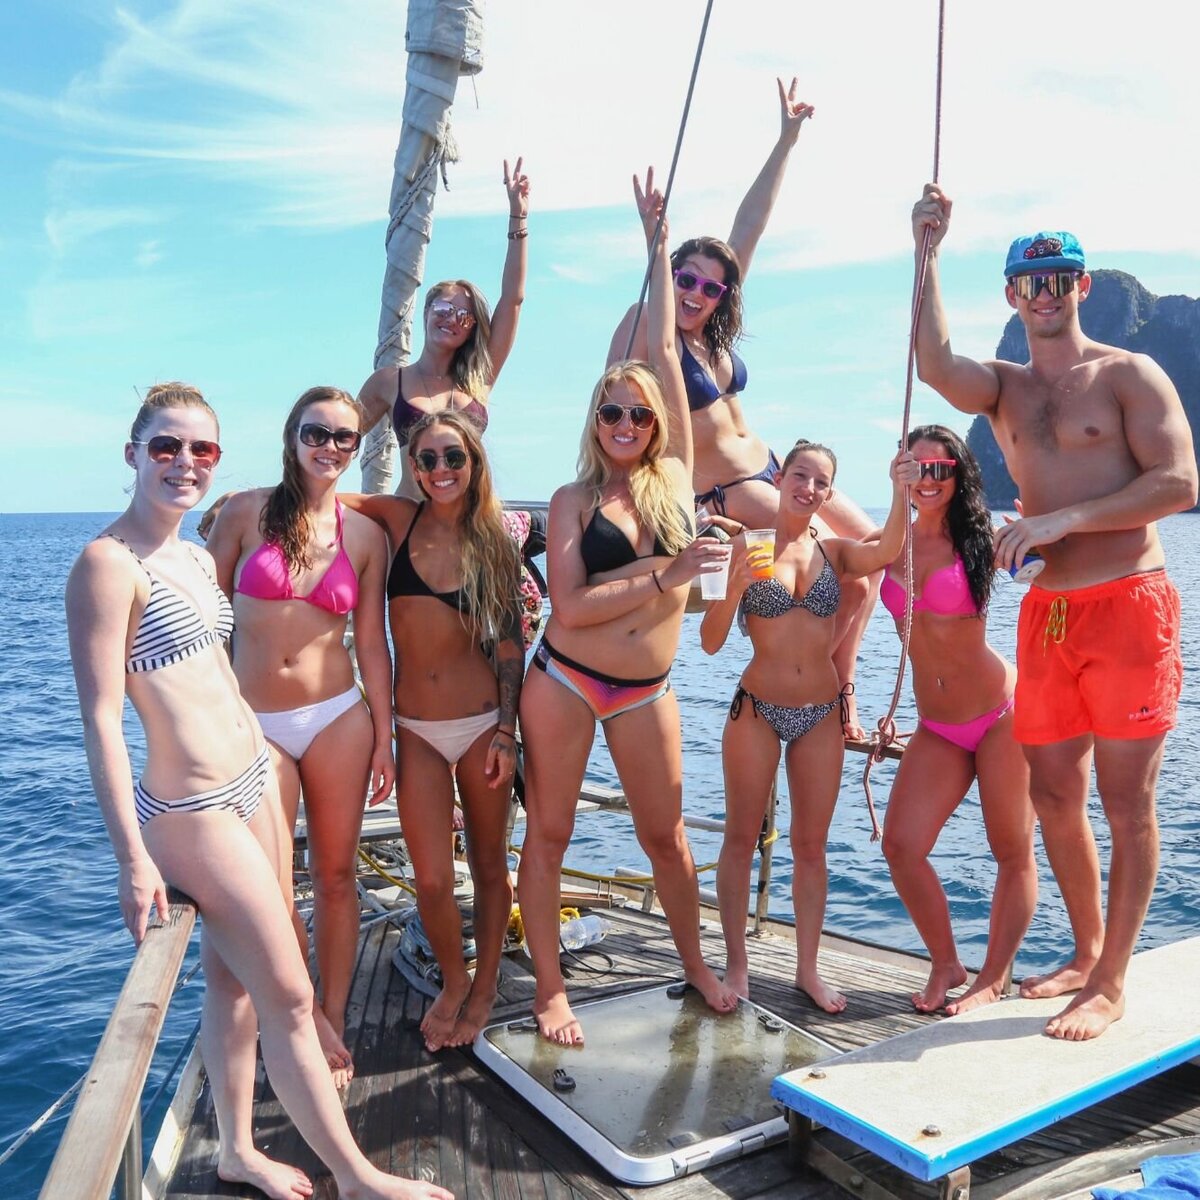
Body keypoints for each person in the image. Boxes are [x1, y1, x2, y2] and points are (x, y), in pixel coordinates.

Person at [65, 382, 451, 1200]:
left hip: (252, 781)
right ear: (131, 453)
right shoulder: (108, 564)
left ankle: (237, 1146)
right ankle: (356, 1176)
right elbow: (101, 720)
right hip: (192, 808)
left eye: (200, 449)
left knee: (233, 982)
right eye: (165, 447)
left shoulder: (193, 556)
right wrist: (132, 859)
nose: (183, 463)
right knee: (289, 988)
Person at [911, 185, 1198, 1039]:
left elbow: (1180, 482)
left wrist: (1062, 519)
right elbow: (935, 368)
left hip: (1128, 606)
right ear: (1010, 294)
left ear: (1080, 286)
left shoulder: (1127, 373)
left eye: (1059, 278)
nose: (1044, 293)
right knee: (1052, 792)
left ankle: (1110, 982)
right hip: (1049, 619)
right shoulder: (1001, 389)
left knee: (1125, 800)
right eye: (1029, 282)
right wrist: (926, 253)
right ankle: (1084, 948)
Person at [518, 170, 739, 1046]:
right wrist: (667, 571)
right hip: (566, 681)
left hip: (648, 690)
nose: (625, 421)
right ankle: (548, 988)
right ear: (594, 418)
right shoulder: (571, 501)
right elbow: (567, 611)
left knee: (668, 839)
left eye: (637, 413)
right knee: (552, 834)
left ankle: (696, 965)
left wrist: (658, 246)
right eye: (610, 410)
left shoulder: (678, 476)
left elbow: (663, 358)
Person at [608, 80, 878, 737]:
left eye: (710, 284)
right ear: (670, 276)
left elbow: (748, 229)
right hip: (727, 491)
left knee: (875, 556)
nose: (698, 291)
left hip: (776, 467)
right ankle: (837, 699)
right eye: (686, 278)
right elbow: (611, 398)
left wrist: (786, 140)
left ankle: (845, 683)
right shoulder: (650, 322)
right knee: (846, 575)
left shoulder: (715, 336)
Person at [207, 387, 393, 1087]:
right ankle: (300, 1012)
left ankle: (333, 1012)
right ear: (293, 437)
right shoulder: (243, 513)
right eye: (318, 433)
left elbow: (371, 643)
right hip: (257, 723)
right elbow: (204, 617)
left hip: (339, 715)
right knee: (275, 885)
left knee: (338, 875)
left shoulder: (364, 535)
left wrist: (385, 734)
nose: (331, 448)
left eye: (345, 438)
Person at [700, 440, 920, 1011]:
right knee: (740, 840)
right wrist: (738, 590)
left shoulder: (836, 553)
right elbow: (709, 640)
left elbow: (891, 549)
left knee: (811, 847)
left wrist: (900, 490)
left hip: (820, 714)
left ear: (829, 494)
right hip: (756, 710)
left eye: (822, 482)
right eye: (800, 475)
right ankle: (739, 965)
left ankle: (807, 970)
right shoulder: (739, 546)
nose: (809, 488)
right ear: (779, 479)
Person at [342, 409, 524, 1051]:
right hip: (416, 732)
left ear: (474, 464)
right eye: (428, 459)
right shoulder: (398, 519)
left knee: (489, 866)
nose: (441, 469)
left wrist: (507, 730)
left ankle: (485, 985)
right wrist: (240, 503)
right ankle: (454, 980)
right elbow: (317, 492)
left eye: (454, 457)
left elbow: (509, 645)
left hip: (481, 727)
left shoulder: (493, 542)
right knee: (431, 880)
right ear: (413, 467)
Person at [878, 425, 1037, 1014]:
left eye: (940, 469)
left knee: (1011, 849)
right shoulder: (889, 546)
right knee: (901, 844)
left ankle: (992, 977)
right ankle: (946, 962)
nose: (928, 479)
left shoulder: (981, 541)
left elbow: (1048, 572)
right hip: (937, 725)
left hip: (1000, 715)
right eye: (916, 468)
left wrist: (1039, 529)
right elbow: (840, 594)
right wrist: (846, 697)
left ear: (958, 476)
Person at [357, 158, 530, 499]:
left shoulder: (478, 381)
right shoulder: (389, 381)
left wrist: (518, 217)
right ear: (425, 312)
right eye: (444, 308)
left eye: (465, 317)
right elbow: (340, 440)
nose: (452, 319)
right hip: (407, 520)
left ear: (471, 331)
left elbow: (513, 299)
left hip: (466, 527)